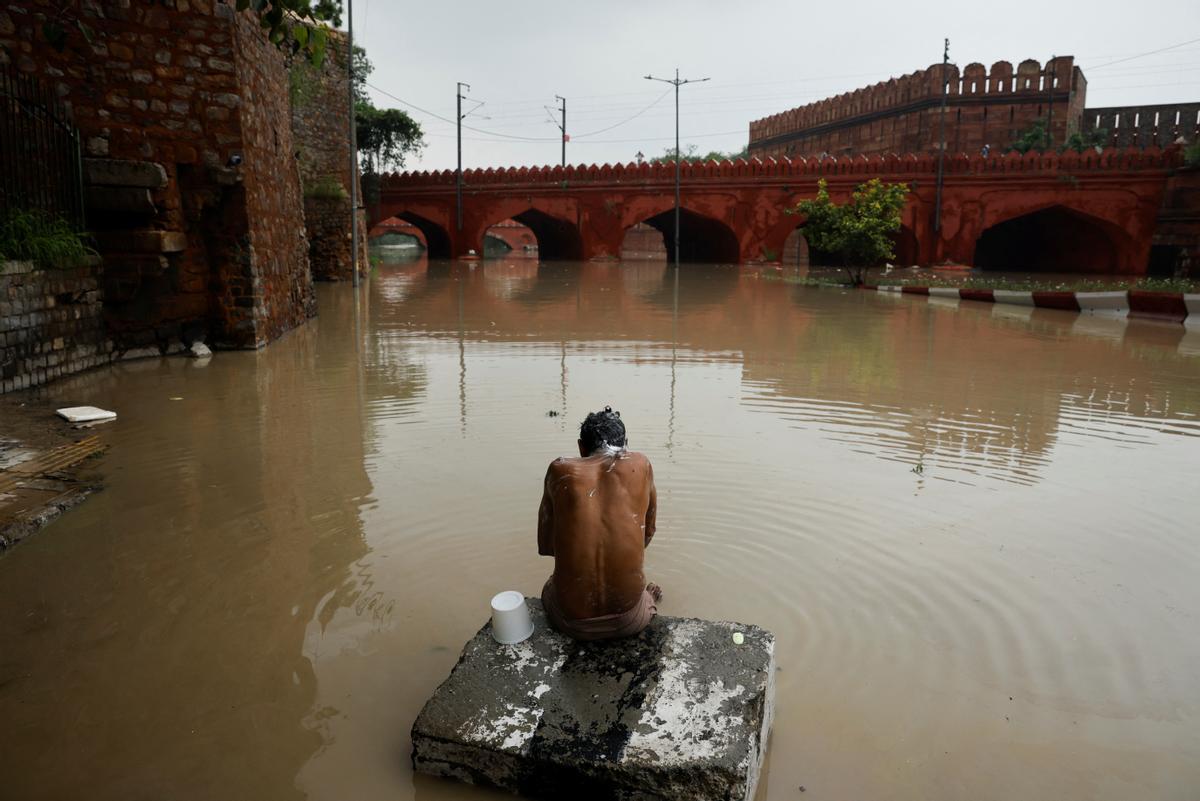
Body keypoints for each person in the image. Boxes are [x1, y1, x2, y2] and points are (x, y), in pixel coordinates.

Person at [538, 407, 660, 641]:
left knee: (549, 586)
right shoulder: (642, 464)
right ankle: (648, 599)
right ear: (626, 445)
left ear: (581, 447)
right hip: (630, 621)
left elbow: (547, 546)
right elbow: (648, 533)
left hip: (570, 622)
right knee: (644, 593)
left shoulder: (559, 469)